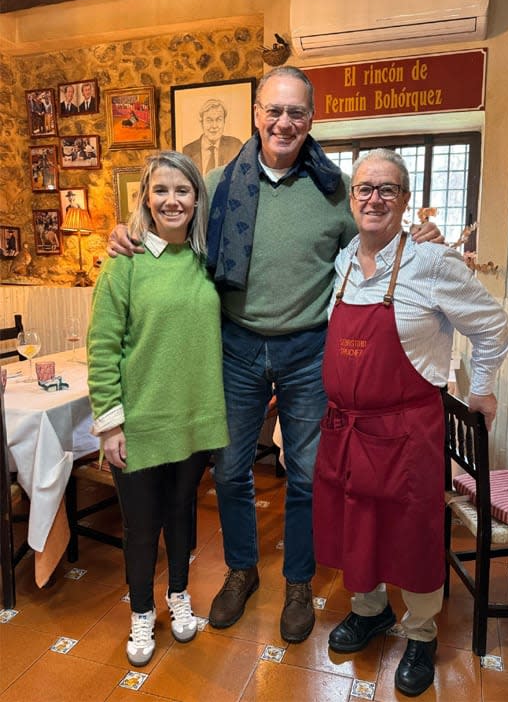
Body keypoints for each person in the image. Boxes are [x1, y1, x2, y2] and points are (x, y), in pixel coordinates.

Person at [106, 66, 443, 645]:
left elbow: (374, 247)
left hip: (309, 347)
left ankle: (296, 581)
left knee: (306, 474)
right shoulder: (216, 183)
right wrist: (125, 232)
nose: (284, 123)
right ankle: (241, 571)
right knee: (232, 469)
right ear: (256, 115)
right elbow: (171, 220)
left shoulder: (335, 188)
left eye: (297, 113)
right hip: (234, 345)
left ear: (311, 120)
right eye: (274, 111)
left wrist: (419, 241)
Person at [312, 148, 508, 697]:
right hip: (349, 429)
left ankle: (420, 634)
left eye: (387, 189)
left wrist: (483, 388)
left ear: (405, 202)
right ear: (352, 200)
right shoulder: (345, 259)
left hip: (407, 431)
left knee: (412, 529)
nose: (374, 198)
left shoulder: (432, 262)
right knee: (360, 520)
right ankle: (370, 610)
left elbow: (493, 326)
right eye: (364, 189)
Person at [88, 150, 229, 667]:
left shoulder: (206, 259)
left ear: (196, 200)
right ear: (146, 198)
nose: (172, 200)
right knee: (141, 528)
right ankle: (142, 612)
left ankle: (179, 596)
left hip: (193, 419)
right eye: (161, 190)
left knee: (182, 518)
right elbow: (103, 345)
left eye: (182, 191)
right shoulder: (124, 263)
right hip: (141, 423)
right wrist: (110, 424)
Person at [182, 99, 243, 175]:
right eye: (209, 120)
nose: (214, 126)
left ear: (224, 122)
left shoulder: (235, 146)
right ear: (202, 123)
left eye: (219, 120)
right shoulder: (188, 151)